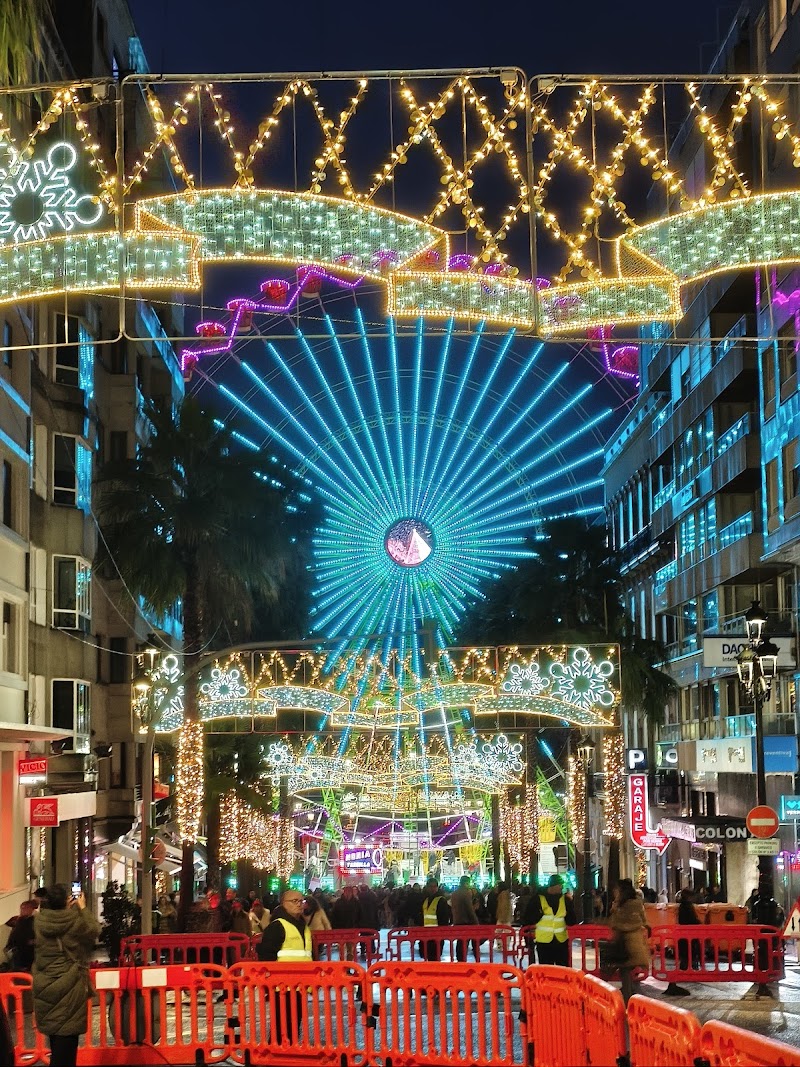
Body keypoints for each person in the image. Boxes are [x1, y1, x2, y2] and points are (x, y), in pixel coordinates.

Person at [31, 884, 101, 1067]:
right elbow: (94, 930)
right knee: (66, 1047)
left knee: (56, 1041)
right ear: (67, 901)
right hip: (69, 986)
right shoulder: (74, 921)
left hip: (45, 983)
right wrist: (82, 907)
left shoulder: (39, 921)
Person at [257, 890, 311, 1045]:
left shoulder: (303, 926)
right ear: (284, 904)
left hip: (300, 984)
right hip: (281, 986)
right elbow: (266, 955)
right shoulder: (277, 926)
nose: (299, 904)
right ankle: (277, 1049)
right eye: (294, 901)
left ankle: (289, 1048)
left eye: (301, 901)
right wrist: (269, 981)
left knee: (294, 1022)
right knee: (282, 1023)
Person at [609, 878, 650, 1004]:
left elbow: (617, 922)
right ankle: (631, 993)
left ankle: (629, 997)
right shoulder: (636, 903)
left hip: (626, 942)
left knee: (625, 969)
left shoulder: (623, 905)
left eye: (616, 889)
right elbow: (643, 920)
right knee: (627, 970)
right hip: (635, 941)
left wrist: (614, 909)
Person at [522, 875, 577, 966]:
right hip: (544, 942)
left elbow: (571, 921)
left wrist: (570, 906)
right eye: (560, 885)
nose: (561, 888)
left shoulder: (565, 900)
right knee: (546, 969)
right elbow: (528, 918)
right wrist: (539, 914)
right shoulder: (537, 899)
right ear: (553, 886)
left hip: (561, 941)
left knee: (562, 969)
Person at [665, 887, 702, 997]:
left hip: (684, 936)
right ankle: (684, 974)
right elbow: (691, 920)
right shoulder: (687, 906)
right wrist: (699, 924)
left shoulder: (682, 906)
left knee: (686, 956)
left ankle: (684, 973)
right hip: (688, 935)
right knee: (688, 955)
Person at [450, 875, 480, 962]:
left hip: (457, 921)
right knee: (472, 942)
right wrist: (476, 922)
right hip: (467, 921)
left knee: (460, 942)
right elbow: (469, 909)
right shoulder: (466, 893)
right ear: (467, 883)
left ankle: (460, 960)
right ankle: (475, 960)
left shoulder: (454, 893)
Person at [420, 878, 451, 962]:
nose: (432, 889)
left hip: (437, 934)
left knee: (435, 958)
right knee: (430, 958)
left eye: (434, 886)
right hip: (426, 934)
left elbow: (444, 918)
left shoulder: (441, 900)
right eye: (430, 886)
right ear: (427, 887)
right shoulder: (426, 900)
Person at [6, 900, 36, 972]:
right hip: (18, 951)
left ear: (31, 909)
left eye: (26, 908)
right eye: (22, 908)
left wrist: (33, 941)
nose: (23, 910)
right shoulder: (18, 920)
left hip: (28, 952)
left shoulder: (34, 921)